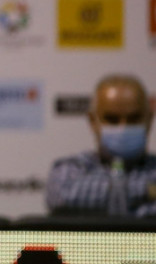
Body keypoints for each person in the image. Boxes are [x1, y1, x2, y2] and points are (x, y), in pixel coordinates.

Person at [46, 74, 156, 217]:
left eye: (133, 119)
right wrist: (148, 190)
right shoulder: (70, 168)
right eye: (112, 119)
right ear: (93, 121)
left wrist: (107, 201)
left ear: (149, 120)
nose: (123, 127)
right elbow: (63, 196)